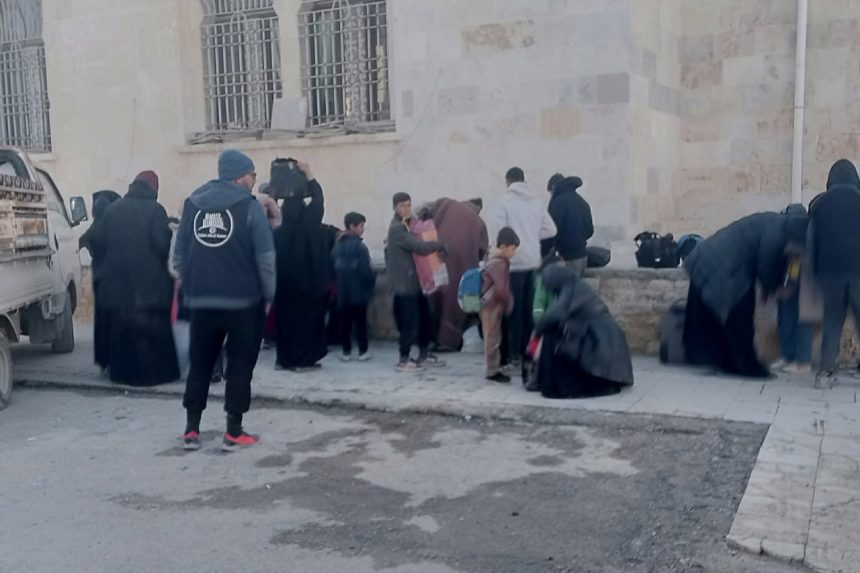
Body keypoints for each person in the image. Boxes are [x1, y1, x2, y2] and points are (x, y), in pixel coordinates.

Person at [174, 149, 275, 452]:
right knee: (240, 366)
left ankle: (191, 430)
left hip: (202, 301)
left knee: (201, 364)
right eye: (252, 175)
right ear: (239, 176)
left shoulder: (193, 205)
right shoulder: (250, 208)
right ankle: (233, 431)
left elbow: (178, 255)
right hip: (244, 302)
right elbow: (266, 260)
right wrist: (269, 295)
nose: (254, 181)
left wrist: (192, 284)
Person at [682, 210, 808, 378]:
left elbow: (773, 263)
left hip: (714, 261)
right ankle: (747, 366)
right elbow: (766, 264)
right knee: (739, 316)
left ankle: (729, 362)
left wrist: (773, 285)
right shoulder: (777, 234)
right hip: (722, 266)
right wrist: (775, 289)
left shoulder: (777, 224)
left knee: (733, 315)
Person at [88, 171, 179, 386]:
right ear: (154, 188)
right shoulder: (156, 210)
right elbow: (162, 245)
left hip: (117, 286)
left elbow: (96, 240)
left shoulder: (113, 210)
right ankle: (152, 376)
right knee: (150, 333)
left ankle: (121, 374)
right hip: (149, 288)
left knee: (123, 333)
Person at [485, 167, 557, 369]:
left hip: (513, 263)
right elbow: (551, 229)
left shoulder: (504, 202)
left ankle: (512, 355)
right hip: (533, 262)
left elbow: (499, 234)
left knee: (512, 311)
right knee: (529, 311)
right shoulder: (536, 202)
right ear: (523, 180)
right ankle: (529, 353)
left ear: (508, 182)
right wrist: (532, 236)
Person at [534, 265, 634, 398]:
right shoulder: (574, 285)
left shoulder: (570, 289)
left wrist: (536, 334)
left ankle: (553, 381)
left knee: (552, 336)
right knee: (554, 332)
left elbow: (554, 316)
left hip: (600, 344)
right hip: (599, 340)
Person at [273, 162, 331, 372]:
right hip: (308, 285)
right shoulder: (309, 223)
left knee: (286, 321)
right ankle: (301, 360)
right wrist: (309, 175)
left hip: (284, 285)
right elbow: (319, 200)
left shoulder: (279, 230)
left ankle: (283, 359)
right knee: (306, 323)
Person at [810, 159, 860, 388]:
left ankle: (826, 372)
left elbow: (811, 241)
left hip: (829, 274)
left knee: (832, 321)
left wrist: (814, 272)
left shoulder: (819, 204)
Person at [386, 192, 446, 372]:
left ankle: (423, 354)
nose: (406, 209)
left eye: (408, 205)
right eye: (402, 206)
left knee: (424, 318)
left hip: (416, 282)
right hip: (404, 284)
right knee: (409, 322)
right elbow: (418, 247)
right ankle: (403, 359)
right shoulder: (397, 228)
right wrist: (438, 245)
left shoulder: (407, 224)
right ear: (395, 207)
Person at [423, 197, 489, 352]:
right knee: (452, 305)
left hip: (437, 258)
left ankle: (429, 339)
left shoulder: (446, 204)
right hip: (462, 267)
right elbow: (483, 251)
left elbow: (429, 224)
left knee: (434, 298)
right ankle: (447, 341)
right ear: (478, 208)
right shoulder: (478, 222)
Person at [78, 189, 121, 374]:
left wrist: (91, 251)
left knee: (102, 320)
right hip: (116, 279)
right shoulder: (116, 227)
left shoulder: (95, 227)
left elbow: (81, 241)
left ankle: (103, 361)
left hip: (99, 278)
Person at [773, 204, 813, 375]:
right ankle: (788, 356)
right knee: (787, 319)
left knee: (801, 321)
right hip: (794, 280)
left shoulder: (803, 231)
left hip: (803, 283)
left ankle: (802, 361)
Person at [331, 212, 376, 362]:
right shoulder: (360, 247)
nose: (363, 229)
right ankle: (363, 351)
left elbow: (332, 265)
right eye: (361, 226)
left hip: (343, 292)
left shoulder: (337, 246)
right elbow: (365, 271)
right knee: (361, 323)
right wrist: (371, 282)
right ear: (352, 226)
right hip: (359, 292)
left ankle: (346, 352)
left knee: (345, 324)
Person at [481, 227, 519, 383]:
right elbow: (501, 288)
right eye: (512, 249)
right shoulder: (499, 264)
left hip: (489, 304)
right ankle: (492, 371)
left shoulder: (494, 261)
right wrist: (509, 303)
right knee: (492, 337)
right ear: (503, 246)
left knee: (493, 336)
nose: (514, 253)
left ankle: (494, 368)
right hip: (491, 305)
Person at [546, 176, 594, 276]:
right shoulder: (582, 202)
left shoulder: (557, 203)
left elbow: (552, 231)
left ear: (554, 187)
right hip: (582, 255)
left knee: (565, 285)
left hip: (566, 257)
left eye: (550, 192)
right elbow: (590, 230)